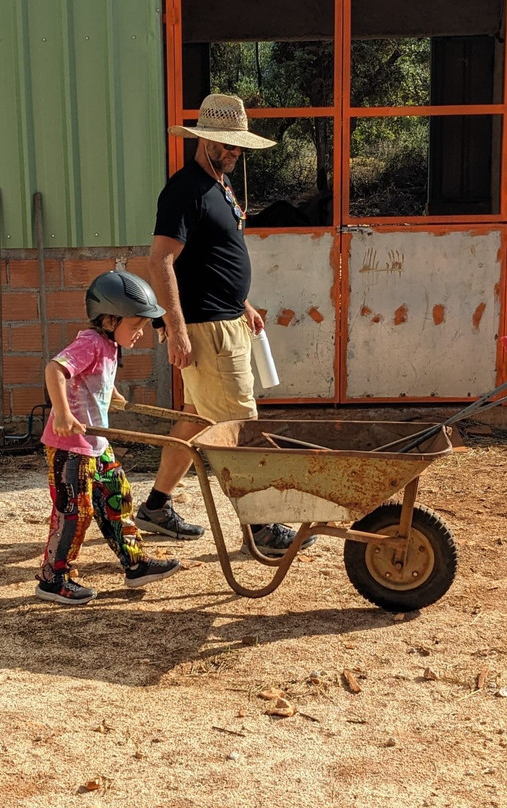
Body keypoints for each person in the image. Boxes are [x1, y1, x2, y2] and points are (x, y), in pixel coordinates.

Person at [133, 93, 316, 558]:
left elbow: (213, 257)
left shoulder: (220, 186)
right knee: (239, 428)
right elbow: (162, 262)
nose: (233, 152)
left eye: (238, 146)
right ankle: (260, 527)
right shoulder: (185, 190)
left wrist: (244, 302)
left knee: (195, 422)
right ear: (203, 140)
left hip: (227, 319)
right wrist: (175, 330)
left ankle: (155, 507)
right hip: (206, 331)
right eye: (225, 144)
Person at [37, 270, 182, 605]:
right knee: (75, 510)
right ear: (109, 318)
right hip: (70, 447)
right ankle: (53, 577)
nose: (141, 333)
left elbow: (93, 376)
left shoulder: (109, 345)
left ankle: (135, 564)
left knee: (117, 498)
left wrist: (111, 393)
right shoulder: (89, 342)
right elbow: (55, 370)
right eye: (136, 325)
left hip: (96, 444)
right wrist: (61, 413)